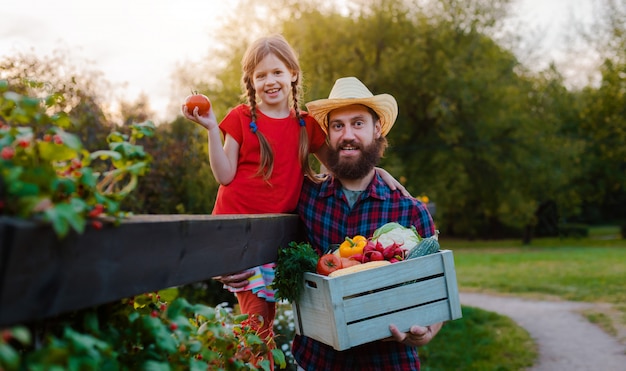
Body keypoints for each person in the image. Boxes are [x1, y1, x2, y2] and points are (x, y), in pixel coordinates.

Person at [182, 35, 406, 351]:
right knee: (257, 321)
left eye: (277, 72)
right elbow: (224, 174)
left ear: (293, 74)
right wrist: (211, 130)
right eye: (260, 75)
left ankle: (248, 359)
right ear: (251, 81)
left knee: (269, 318)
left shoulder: (305, 126)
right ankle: (250, 360)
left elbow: (340, 167)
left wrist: (377, 170)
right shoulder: (242, 118)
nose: (270, 81)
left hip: (273, 237)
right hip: (239, 232)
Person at [293, 76, 443, 370]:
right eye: (338, 125)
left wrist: (426, 333)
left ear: (377, 129)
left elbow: (435, 292)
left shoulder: (408, 210)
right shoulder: (305, 198)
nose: (348, 134)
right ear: (328, 135)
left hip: (387, 361)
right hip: (318, 361)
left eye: (358, 123)